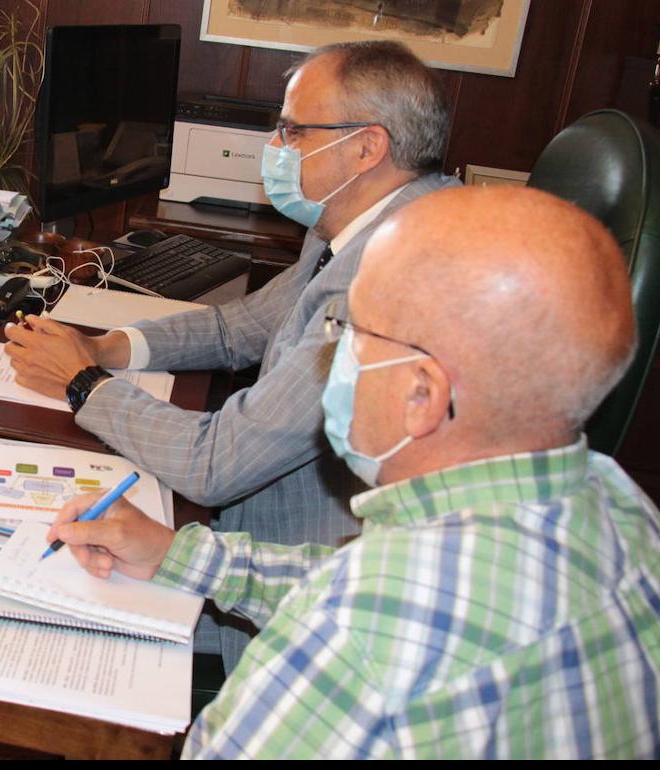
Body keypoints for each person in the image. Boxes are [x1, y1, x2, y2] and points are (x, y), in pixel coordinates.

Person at [45, 186, 660, 758]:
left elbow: (369, 613)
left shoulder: (356, 636)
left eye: (351, 333)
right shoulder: (624, 507)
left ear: (422, 394)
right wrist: (179, 555)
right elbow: (358, 586)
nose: (329, 355)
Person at [7, 40, 458, 667]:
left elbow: (217, 464)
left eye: (294, 130)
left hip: (292, 591)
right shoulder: (356, 225)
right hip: (261, 535)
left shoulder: (389, 273)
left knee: (26, 617)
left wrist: (83, 384)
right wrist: (108, 348)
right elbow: (240, 327)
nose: (275, 147)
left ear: (366, 146)